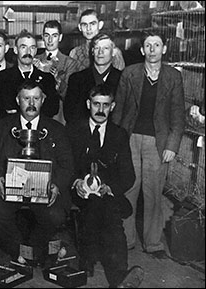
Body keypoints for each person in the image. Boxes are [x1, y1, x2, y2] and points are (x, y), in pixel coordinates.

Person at [111, 31, 185, 259]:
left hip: (158, 141)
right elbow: (119, 111)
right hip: (130, 138)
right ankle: (127, 239)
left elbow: (178, 116)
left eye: (157, 45)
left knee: (153, 191)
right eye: (148, 45)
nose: (152, 49)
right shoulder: (129, 74)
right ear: (142, 50)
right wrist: (115, 142)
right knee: (129, 188)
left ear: (164, 49)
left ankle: (153, 242)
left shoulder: (173, 77)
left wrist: (172, 145)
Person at [0, 79, 74, 266]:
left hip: (45, 191)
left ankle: (32, 248)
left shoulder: (57, 129)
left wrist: (56, 184)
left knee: (55, 215)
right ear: (18, 100)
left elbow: (67, 165)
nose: (31, 104)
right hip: (9, 190)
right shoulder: (2, 127)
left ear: (43, 100)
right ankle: (20, 249)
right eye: (27, 98)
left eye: (36, 98)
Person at [67, 84, 144, 288]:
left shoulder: (119, 135)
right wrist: (75, 183)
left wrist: (110, 188)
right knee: (100, 208)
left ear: (113, 107)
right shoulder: (74, 130)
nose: (100, 110)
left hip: (106, 194)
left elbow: (129, 175)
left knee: (106, 207)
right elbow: (64, 166)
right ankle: (108, 270)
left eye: (106, 105)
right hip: (79, 193)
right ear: (88, 104)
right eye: (96, 104)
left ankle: (113, 274)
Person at [0, 30, 60, 120]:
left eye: (32, 47)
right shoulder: (3, 77)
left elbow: (52, 109)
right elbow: (5, 106)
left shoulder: (47, 79)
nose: (28, 52)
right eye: (23, 47)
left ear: (36, 51)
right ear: (15, 50)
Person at [64, 33, 122, 126]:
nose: (100, 52)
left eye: (105, 48)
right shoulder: (77, 79)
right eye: (97, 48)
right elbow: (70, 114)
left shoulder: (122, 79)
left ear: (114, 52)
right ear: (92, 51)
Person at [33, 20, 78, 125]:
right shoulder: (35, 60)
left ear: (60, 37)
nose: (50, 40)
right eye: (47, 35)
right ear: (42, 37)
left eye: (54, 36)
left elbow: (69, 95)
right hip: (36, 113)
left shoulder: (69, 63)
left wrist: (57, 80)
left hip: (58, 116)